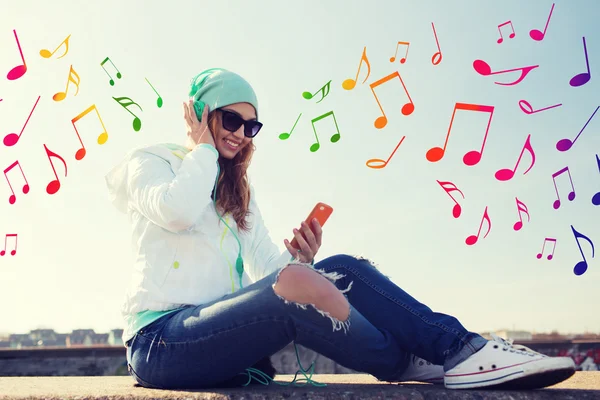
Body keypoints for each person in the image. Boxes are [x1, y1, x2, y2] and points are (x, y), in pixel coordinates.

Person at [105, 68, 576, 390]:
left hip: (219, 336)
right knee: (298, 286)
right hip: (160, 342)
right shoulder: (151, 162)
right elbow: (177, 212)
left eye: (252, 126)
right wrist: (202, 148)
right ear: (202, 112)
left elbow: (272, 271)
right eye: (232, 119)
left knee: (339, 268)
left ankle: (458, 348)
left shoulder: (236, 194)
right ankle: (413, 359)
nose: (241, 134)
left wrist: (303, 261)